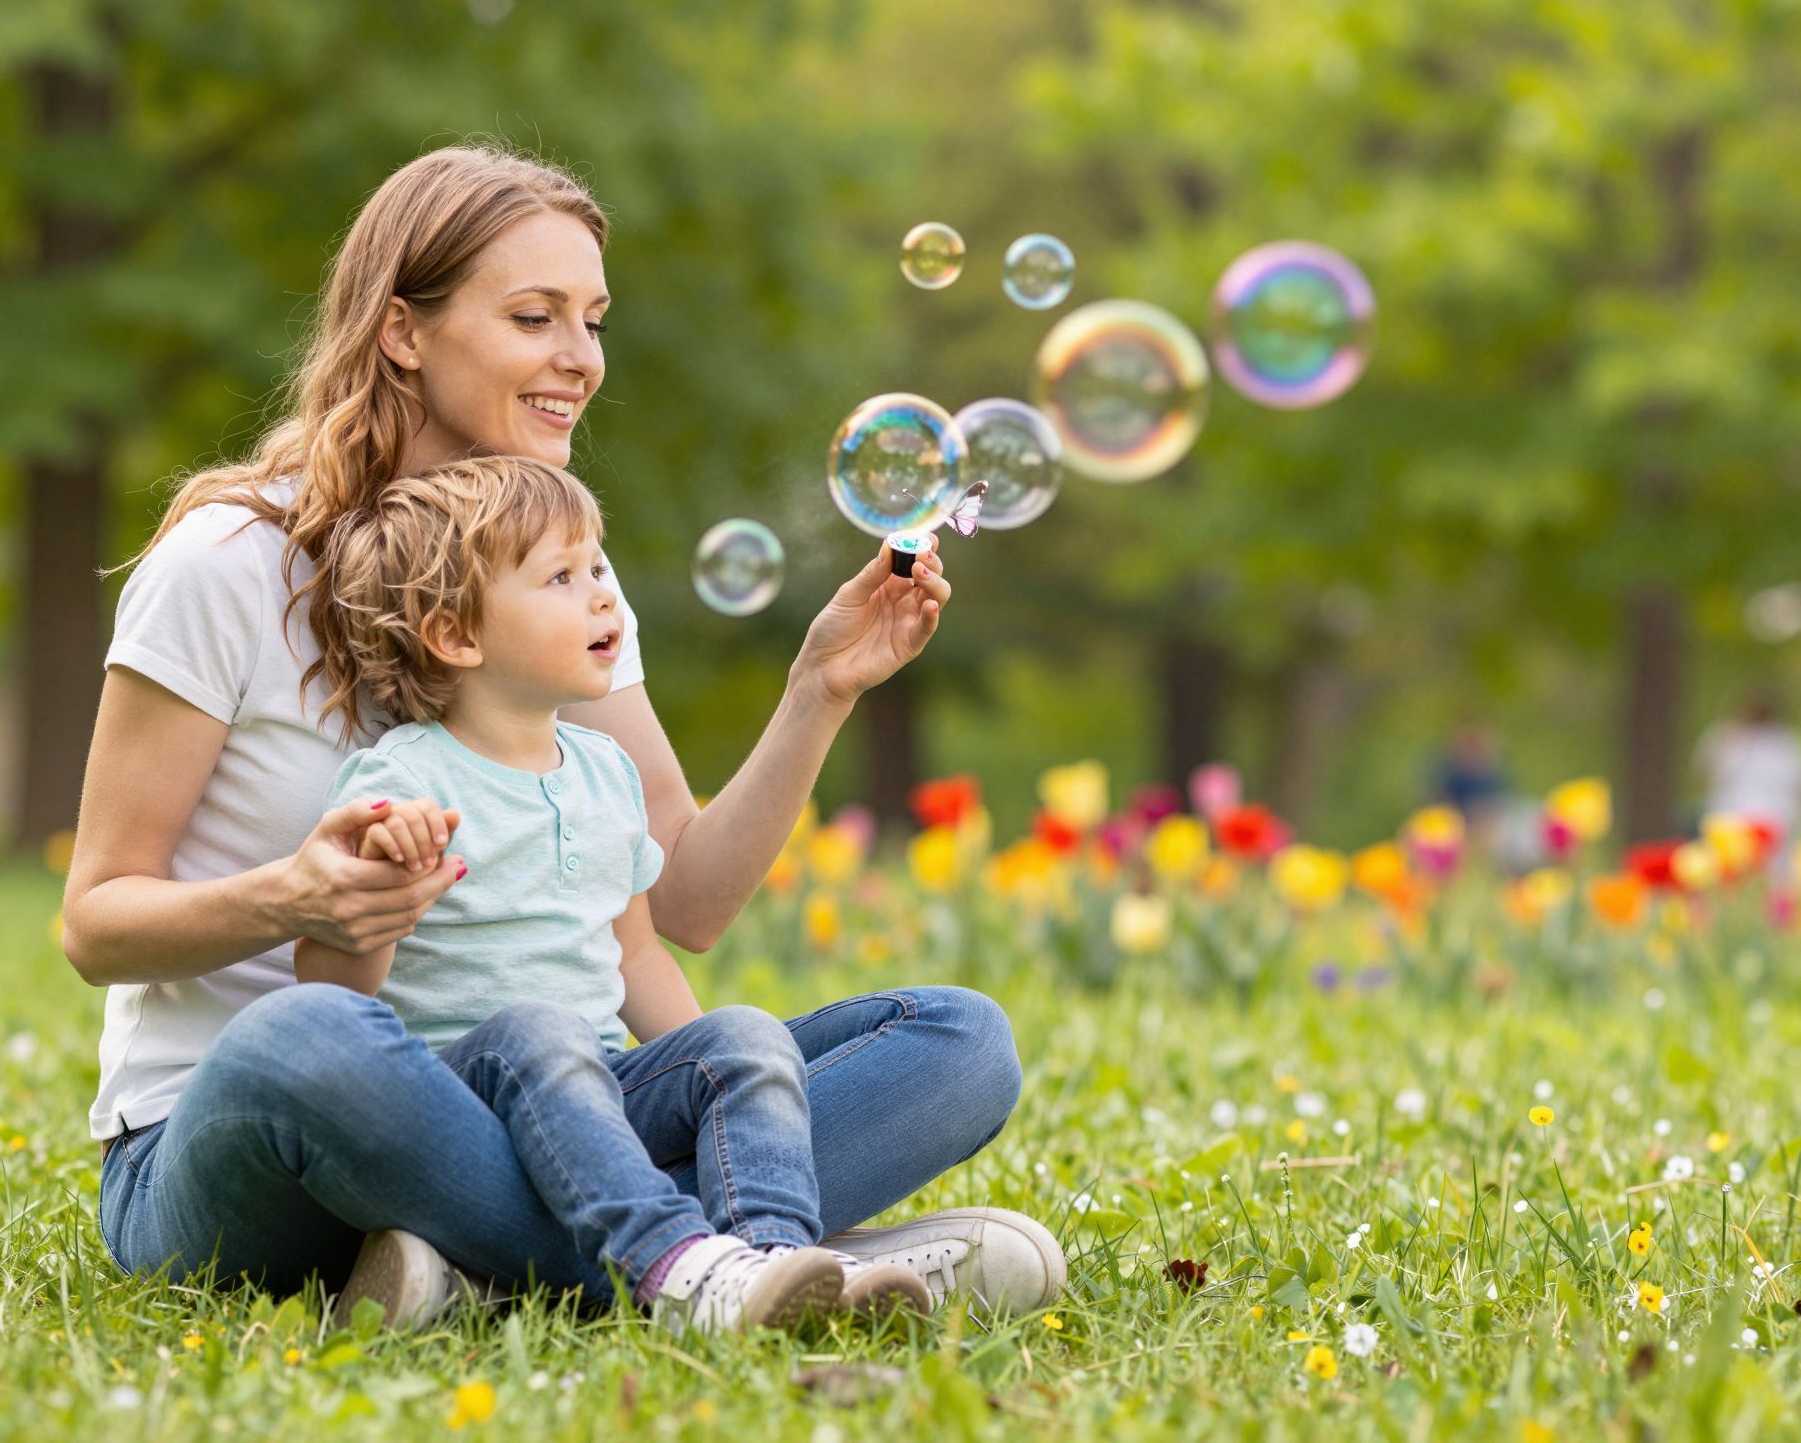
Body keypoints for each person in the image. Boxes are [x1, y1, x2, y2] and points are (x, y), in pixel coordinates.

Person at [63, 143, 1064, 1328]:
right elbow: (96, 921)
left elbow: (675, 905)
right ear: (403, 332)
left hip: (557, 1099)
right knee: (313, 1036)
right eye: (534, 316)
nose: (580, 360)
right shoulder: (229, 564)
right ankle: (754, 1257)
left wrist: (818, 689)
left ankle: (515, 1273)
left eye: (592, 319)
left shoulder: (559, 587)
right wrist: (293, 899)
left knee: (957, 1041)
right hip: (260, 1127)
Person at [294, 456, 931, 1330]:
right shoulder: (400, 783)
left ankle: (775, 1269)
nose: (604, 597)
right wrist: (378, 888)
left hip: (598, 1087)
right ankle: (673, 1265)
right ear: (454, 633)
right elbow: (331, 1000)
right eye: (562, 577)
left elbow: (634, 951)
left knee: (742, 1035)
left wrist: (713, 1071)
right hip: (456, 1109)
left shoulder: (607, 773)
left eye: (598, 568)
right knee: (539, 1028)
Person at [1695, 690, 1801, 875]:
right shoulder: (1729, 736)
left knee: (1772, 868)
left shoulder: (1785, 741)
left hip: (1770, 817)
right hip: (1740, 816)